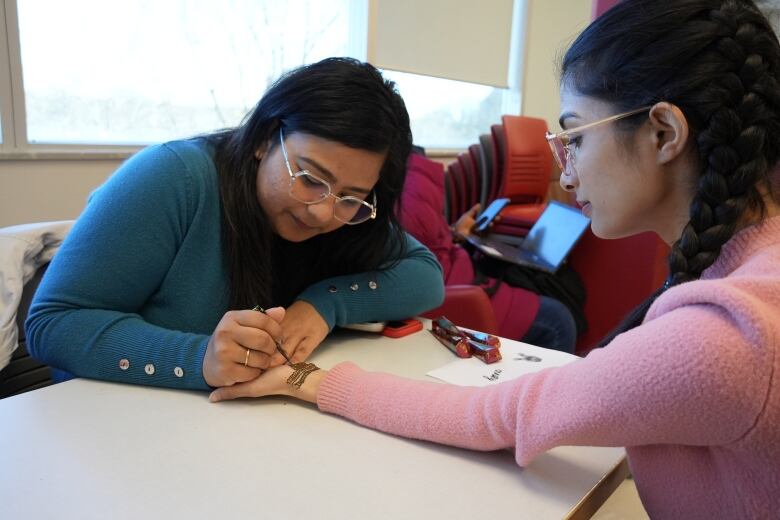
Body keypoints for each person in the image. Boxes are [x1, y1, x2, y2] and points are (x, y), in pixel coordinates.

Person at [208, 1, 780, 517]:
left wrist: (306, 380)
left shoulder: (726, 338)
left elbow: (494, 418)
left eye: (576, 137)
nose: (566, 172)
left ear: (663, 132)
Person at [25, 58, 445, 391]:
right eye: (311, 178)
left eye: (350, 197)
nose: (321, 212)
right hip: (119, 431)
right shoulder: (175, 178)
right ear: (265, 139)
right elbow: (54, 324)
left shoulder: (349, 214)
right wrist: (198, 357)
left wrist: (325, 303)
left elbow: (425, 276)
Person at [399, 151, 578, 353]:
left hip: (462, 275)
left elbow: (426, 243)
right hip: (460, 295)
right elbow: (428, 263)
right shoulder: (414, 187)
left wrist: (457, 233)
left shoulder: (411, 183)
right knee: (559, 320)